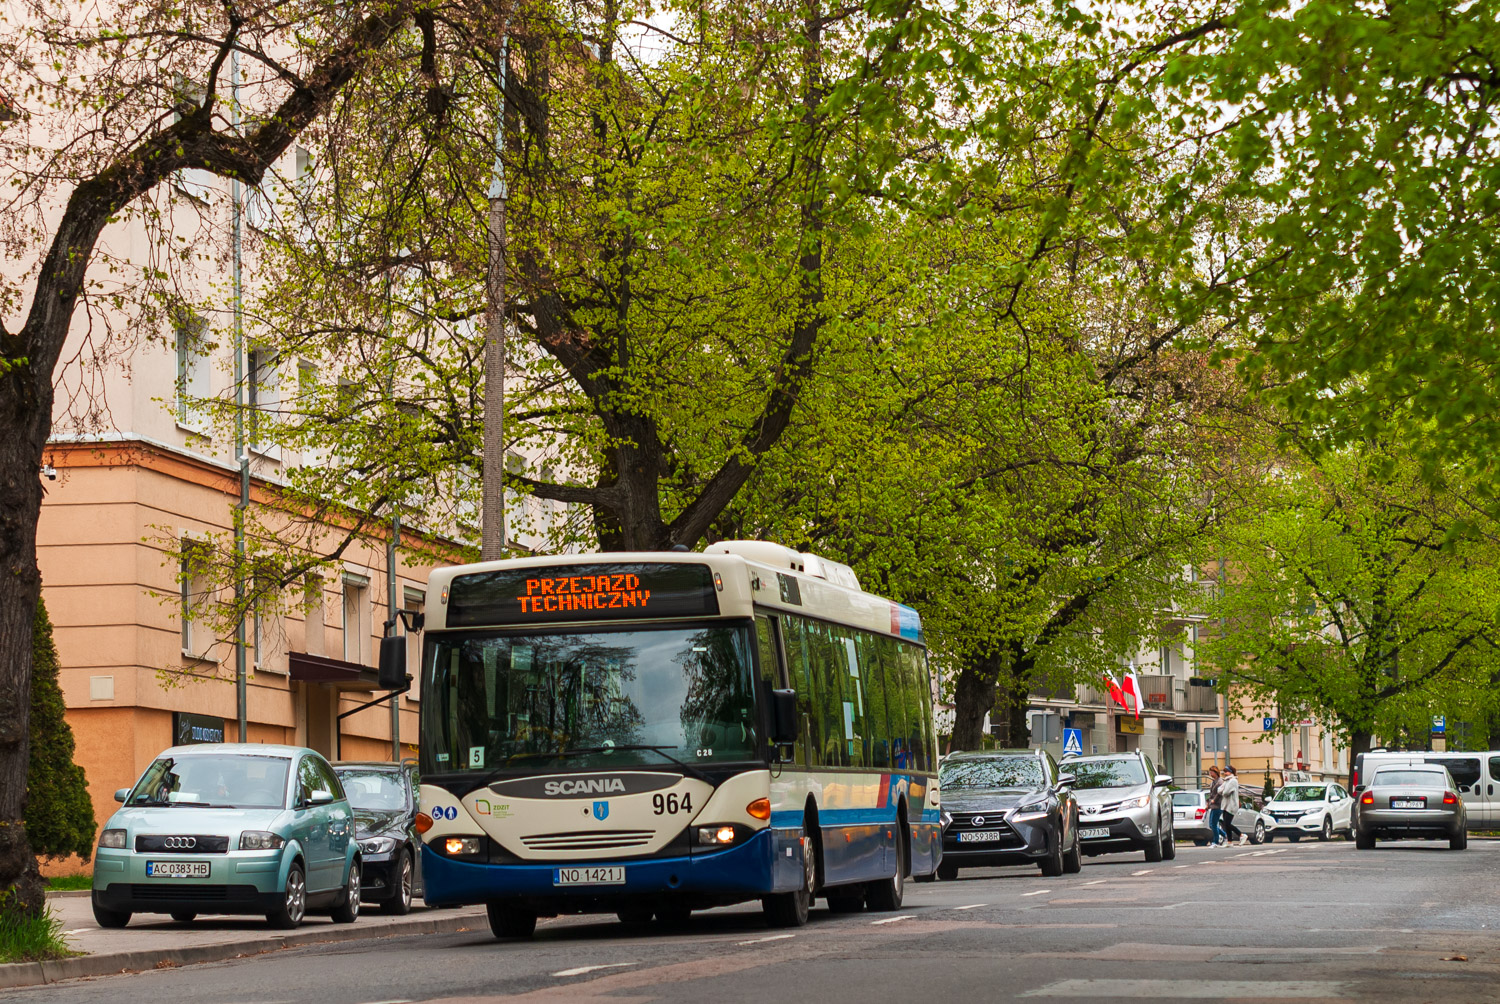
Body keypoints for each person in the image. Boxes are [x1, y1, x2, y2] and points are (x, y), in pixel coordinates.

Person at [1219, 766, 1241, 846]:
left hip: (1231, 805)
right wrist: (1223, 790)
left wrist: (1223, 790)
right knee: (1225, 823)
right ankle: (1229, 841)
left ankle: (1241, 835)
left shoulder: (1233, 781)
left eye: (1227, 771)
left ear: (1231, 772)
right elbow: (1219, 790)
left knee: (1227, 823)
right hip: (1225, 804)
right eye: (1224, 771)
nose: (1225, 773)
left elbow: (1225, 792)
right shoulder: (1226, 781)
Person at [1204, 766, 1224, 846]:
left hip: (1218, 805)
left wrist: (1214, 800)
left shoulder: (1220, 782)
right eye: (1210, 772)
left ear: (1216, 772)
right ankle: (1225, 835)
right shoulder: (1213, 782)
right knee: (1211, 825)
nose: (1210, 774)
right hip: (1213, 805)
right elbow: (1211, 794)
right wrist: (1208, 804)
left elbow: (1219, 794)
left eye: (1211, 772)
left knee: (1213, 824)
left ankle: (1216, 841)